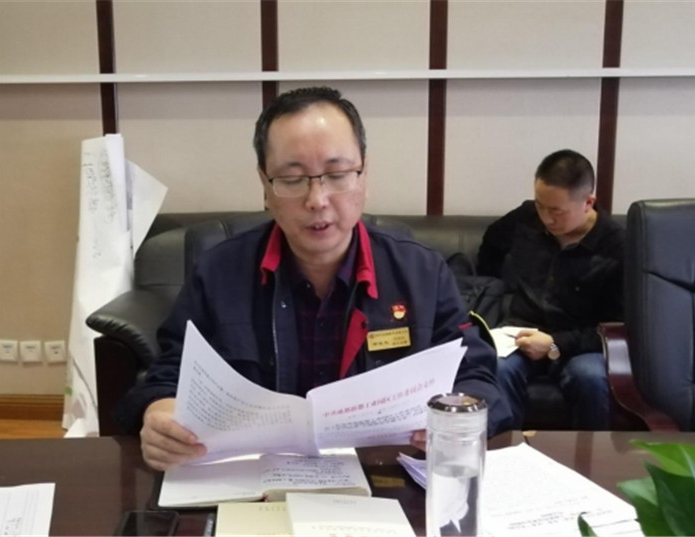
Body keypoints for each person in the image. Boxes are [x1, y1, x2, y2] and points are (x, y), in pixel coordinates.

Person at [116, 87, 511, 470]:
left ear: (364, 176)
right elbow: (170, 373)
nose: (317, 200)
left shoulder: (421, 273)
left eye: (337, 174)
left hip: (383, 479)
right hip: (254, 482)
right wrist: (159, 413)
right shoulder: (219, 272)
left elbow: (476, 375)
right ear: (265, 186)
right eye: (292, 179)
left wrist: (463, 418)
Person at [477, 149, 624, 430]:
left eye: (556, 211)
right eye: (540, 205)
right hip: (520, 331)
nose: (546, 218)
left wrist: (555, 344)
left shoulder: (617, 247)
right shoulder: (526, 218)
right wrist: (495, 285)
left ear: (588, 203)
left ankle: (589, 456)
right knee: (495, 367)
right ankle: (506, 452)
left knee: (591, 378)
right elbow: (492, 243)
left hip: (581, 344)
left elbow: (617, 328)